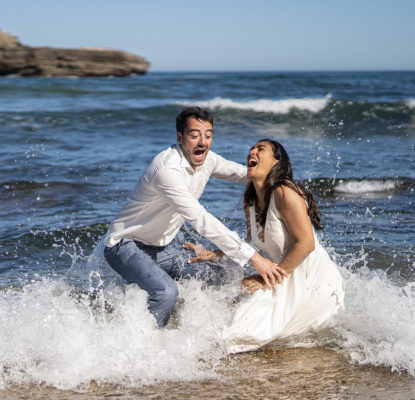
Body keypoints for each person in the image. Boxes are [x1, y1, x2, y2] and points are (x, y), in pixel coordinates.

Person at [103, 107, 287, 327]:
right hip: (125, 245)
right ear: (180, 138)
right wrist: (254, 257)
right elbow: (200, 219)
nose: (202, 142)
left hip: (166, 245)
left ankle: (207, 329)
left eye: (208, 135)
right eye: (194, 135)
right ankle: (144, 346)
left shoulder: (208, 160)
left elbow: (244, 175)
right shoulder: (167, 170)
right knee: (166, 292)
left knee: (218, 277)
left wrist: (284, 188)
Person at [186, 139, 344, 352]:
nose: (252, 151)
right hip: (281, 274)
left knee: (239, 333)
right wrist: (214, 254)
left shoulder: (285, 192)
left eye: (261, 149)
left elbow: (306, 244)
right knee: (235, 325)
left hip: (310, 278)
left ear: (276, 163)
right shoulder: (250, 200)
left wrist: (263, 279)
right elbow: (252, 244)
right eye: (252, 148)